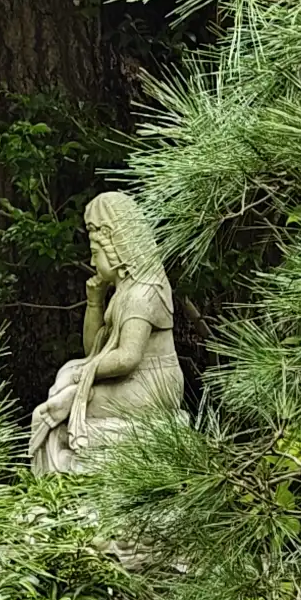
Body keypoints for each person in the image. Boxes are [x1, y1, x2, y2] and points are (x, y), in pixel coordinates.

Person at [25, 191, 185, 474]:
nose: (91, 259)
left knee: (62, 406)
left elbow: (128, 358)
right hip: (132, 381)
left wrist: (83, 376)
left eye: (95, 252)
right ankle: (56, 479)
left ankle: (59, 474)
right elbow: (93, 350)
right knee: (66, 383)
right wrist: (94, 302)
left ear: (116, 248)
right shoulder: (123, 293)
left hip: (152, 385)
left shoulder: (143, 293)